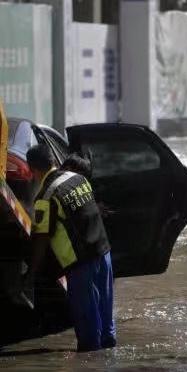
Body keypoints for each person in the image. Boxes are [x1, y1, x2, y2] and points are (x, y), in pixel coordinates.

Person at [24, 144, 116, 352]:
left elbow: (40, 240)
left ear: (33, 170)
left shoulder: (46, 197)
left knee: (88, 337)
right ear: (53, 161)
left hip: (81, 265)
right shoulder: (78, 179)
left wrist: (31, 275)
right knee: (107, 327)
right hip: (104, 253)